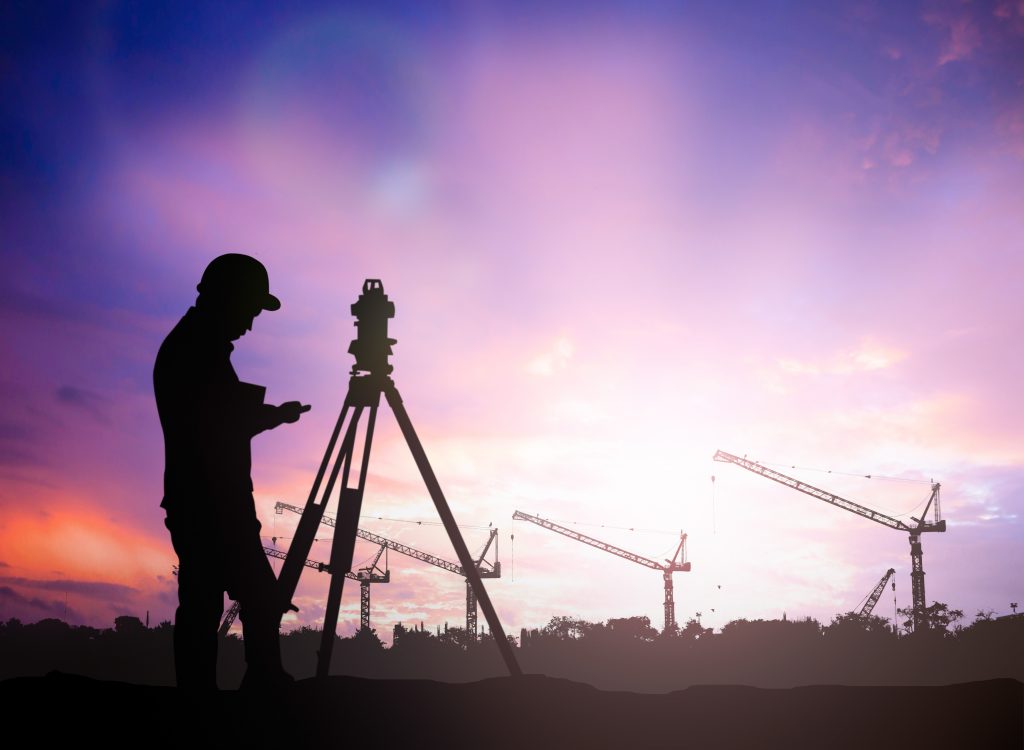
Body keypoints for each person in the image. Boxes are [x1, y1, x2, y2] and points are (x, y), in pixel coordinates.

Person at [154, 253, 310, 691]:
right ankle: (254, 685)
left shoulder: (196, 347)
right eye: (249, 309)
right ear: (227, 298)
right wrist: (272, 416)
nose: (250, 323)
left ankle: (218, 689)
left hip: (208, 500)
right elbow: (217, 424)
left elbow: (218, 418)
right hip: (211, 503)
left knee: (209, 601)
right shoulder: (194, 350)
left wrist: (271, 415)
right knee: (251, 598)